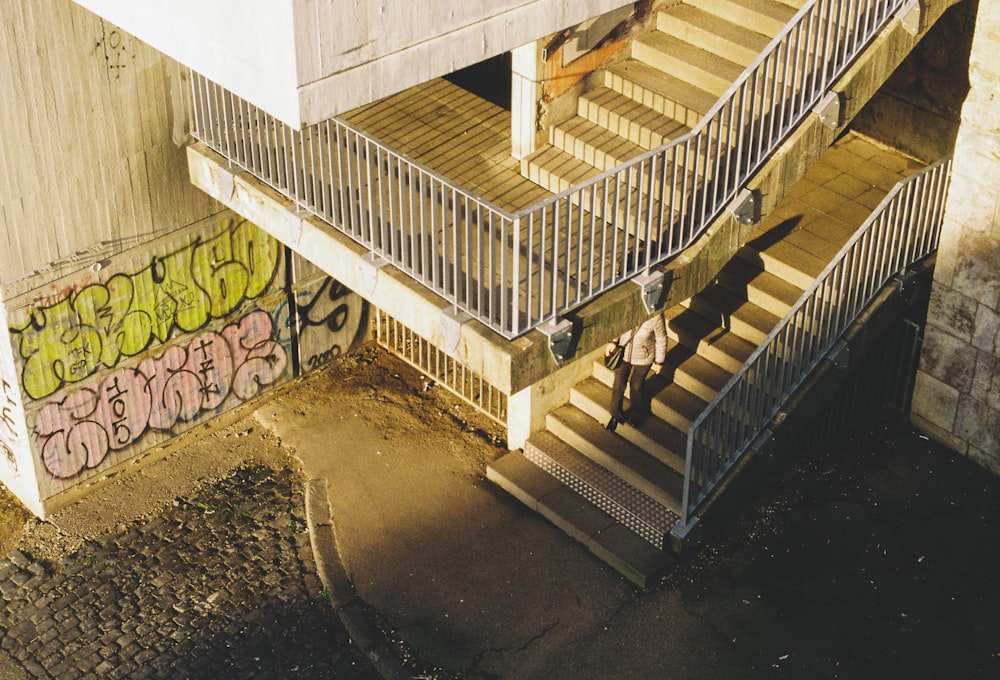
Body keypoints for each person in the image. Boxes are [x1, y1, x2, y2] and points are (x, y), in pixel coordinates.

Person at [603, 313, 667, 431]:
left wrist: (659, 361)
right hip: (623, 354)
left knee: (636, 387)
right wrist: (613, 341)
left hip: (644, 357)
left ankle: (637, 412)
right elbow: (618, 325)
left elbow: (661, 338)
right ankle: (615, 414)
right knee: (618, 386)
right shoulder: (631, 305)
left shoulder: (656, 316)